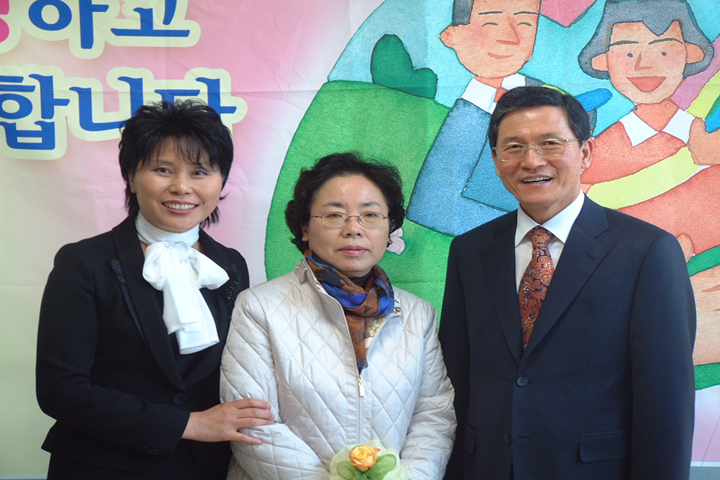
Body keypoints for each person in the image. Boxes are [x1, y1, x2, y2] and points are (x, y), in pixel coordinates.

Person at [439, 86, 696, 479]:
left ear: (586, 153)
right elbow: (456, 377)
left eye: (550, 143)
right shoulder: (470, 251)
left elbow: (665, 399)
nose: (531, 160)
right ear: (495, 160)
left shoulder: (647, 251)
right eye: (514, 147)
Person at [36, 99, 274, 480]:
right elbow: (60, 390)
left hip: (206, 469)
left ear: (221, 182)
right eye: (163, 170)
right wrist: (188, 424)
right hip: (102, 467)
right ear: (132, 177)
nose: (182, 187)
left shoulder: (229, 265)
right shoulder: (84, 263)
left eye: (200, 172)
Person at [220, 152, 456, 479]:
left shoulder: (418, 314)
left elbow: (434, 416)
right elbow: (253, 424)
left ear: (390, 228)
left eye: (370, 215)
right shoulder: (259, 307)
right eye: (334, 215)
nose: (353, 229)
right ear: (305, 227)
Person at [407, 0, 543, 235]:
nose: (510, 38)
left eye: (525, 23)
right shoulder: (468, 115)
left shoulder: (548, 99)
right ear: (452, 35)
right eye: (491, 22)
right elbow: (432, 209)